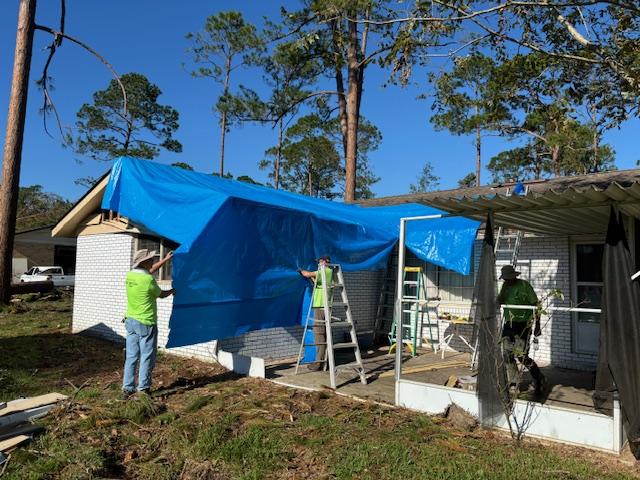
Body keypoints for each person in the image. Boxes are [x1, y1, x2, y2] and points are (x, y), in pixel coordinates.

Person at [122, 248, 176, 399]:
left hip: (130, 320)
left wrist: (165, 259)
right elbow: (162, 295)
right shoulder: (148, 280)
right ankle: (143, 388)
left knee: (132, 356)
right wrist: (172, 290)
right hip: (146, 323)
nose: (152, 260)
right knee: (146, 356)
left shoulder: (130, 275)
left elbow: (149, 271)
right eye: (151, 259)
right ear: (144, 262)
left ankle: (127, 388)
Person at [498, 265, 547, 395]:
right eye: (505, 279)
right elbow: (500, 300)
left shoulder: (524, 286)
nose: (507, 281)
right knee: (507, 354)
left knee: (521, 355)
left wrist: (537, 325)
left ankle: (539, 377)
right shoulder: (505, 287)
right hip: (509, 324)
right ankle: (514, 383)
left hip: (524, 324)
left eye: (509, 278)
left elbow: (537, 305)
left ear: (514, 276)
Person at [298, 256, 333, 371]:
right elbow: (315, 281)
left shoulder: (325, 271)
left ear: (324, 262)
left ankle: (318, 363)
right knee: (323, 335)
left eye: (319, 262)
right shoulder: (327, 273)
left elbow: (307, 274)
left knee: (319, 335)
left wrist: (300, 270)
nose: (318, 264)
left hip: (321, 306)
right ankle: (324, 362)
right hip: (325, 306)